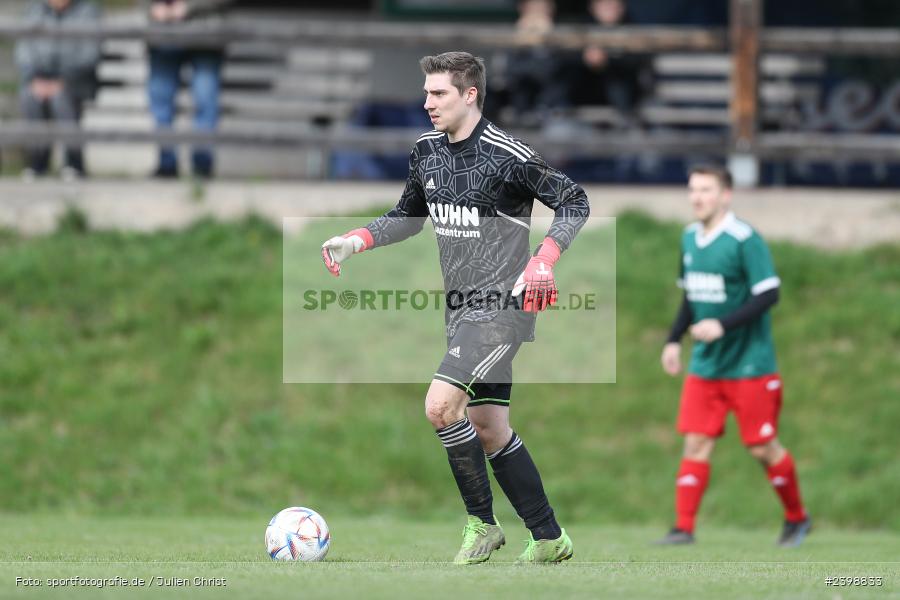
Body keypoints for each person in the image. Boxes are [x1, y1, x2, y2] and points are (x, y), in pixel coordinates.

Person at [320, 51, 590, 564]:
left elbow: (574, 199)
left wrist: (544, 259)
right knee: (489, 428)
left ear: (470, 95)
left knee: (441, 407)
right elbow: (408, 215)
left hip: (503, 308)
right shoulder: (426, 151)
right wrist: (355, 240)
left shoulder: (509, 155)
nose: (428, 102)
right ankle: (549, 537)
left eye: (439, 93)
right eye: (426, 92)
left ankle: (482, 525)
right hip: (461, 311)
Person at [656, 165, 811, 547]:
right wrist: (673, 340)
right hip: (706, 365)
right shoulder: (689, 237)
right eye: (693, 189)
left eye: (706, 190)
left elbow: (769, 293)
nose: (697, 197)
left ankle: (797, 518)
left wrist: (722, 325)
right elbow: (691, 295)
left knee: (762, 447)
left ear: (726, 194)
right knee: (696, 443)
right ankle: (683, 528)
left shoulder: (744, 239)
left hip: (750, 365)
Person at [15, 0, 101, 180]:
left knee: (61, 98)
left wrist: (64, 79)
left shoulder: (88, 11)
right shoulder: (34, 9)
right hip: (38, 78)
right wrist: (35, 78)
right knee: (29, 97)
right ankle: (37, 163)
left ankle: (73, 162)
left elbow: (89, 54)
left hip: (75, 80)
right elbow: (23, 50)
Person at [146, 0, 232, 178]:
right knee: (161, 100)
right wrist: (152, 7)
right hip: (163, 32)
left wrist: (189, 6)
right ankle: (167, 163)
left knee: (205, 99)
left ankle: (202, 166)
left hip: (206, 32)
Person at [570, 0, 652, 123]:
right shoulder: (580, 30)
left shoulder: (633, 29)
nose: (610, 7)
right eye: (605, 3)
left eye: (614, 3)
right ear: (593, 7)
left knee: (618, 78)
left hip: (623, 99)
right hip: (584, 96)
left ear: (622, 7)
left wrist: (607, 60)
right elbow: (565, 59)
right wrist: (586, 58)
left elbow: (639, 61)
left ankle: (624, 120)